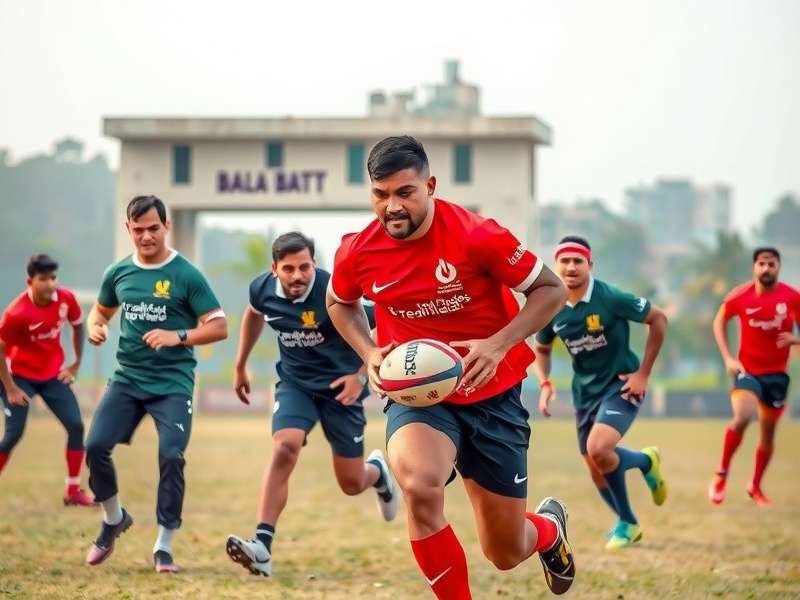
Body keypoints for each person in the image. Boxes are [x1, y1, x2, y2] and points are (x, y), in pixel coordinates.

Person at [326, 135, 575, 598]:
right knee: (420, 489)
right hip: (419, 396)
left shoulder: (478, 235)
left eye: (405, 193)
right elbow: (339, 303)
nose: (391, 207)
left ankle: (547, 529)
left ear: (431, 185)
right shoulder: (358, 250)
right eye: (380, 195)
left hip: (493, 395)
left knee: (503, 551)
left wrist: (498, 345)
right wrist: (369, 352)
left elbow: (551, 290)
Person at [225, 231, 398, 577]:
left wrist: (361, 375)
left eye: (304, 267)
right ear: (275, 269)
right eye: (288, 268)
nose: (297, 275)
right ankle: (262, 547)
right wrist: (241, 364)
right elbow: (253, 314)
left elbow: (384, 326)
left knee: (350, 483)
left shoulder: (336, 291)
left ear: (314, 265)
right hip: (296, 384)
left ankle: (378, 473)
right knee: (284, 447)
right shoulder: (262, 290)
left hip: (342, 388)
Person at [83, 195, 228, 572]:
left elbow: (218, 326)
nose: (146, 236)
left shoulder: (186, 275)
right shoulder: (118, 273)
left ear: (167, 226)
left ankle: (164, 544)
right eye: (138, 230)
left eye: (153, 228)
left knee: (171, 456)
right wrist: (96, 327)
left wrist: (177, 335)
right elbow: (99, 312)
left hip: (172, 385)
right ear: (127, 229)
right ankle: (114, 519)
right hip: (127, 380)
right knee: (95, 445)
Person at [533, 236, 668, 549]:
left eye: (577, 261)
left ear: (589, 265)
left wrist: (643, 374)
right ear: (556, 266)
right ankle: (634, 503)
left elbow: (658, 318)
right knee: (596, 468)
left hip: (622, 385)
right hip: (585, 393)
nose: (570, 267)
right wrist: (545, 383)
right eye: (564, 261)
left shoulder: (610, 297)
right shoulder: (551, 305)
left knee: (599, 449)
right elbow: (541, 349)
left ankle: (631, 514)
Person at [0, 253, 95, 506]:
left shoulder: (66, 300)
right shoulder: (16, 313)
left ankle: (73, 492)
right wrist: (9, 388)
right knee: (13, 435)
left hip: (51, 375)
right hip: (18, 377)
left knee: (76, 426)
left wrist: (75, 365)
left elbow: (78, 326)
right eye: (43, 279)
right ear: (30, 281)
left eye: (53, 278)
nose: (51, 284)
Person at [709, 246, 800, 506]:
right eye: (761, 264)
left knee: (768, 436)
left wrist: (796, 339)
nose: (766, 269)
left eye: (771, 264)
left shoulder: (792, 297)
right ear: (754, 267)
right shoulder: (741, 296)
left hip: (777, 377)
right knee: (742, 417)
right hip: (748, 372)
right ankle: (721, 473)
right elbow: (719, 321)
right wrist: (728, 358)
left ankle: (755, 486)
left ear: (778, 267)